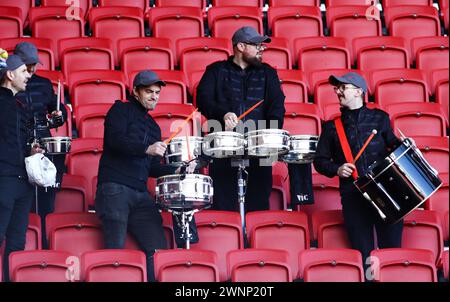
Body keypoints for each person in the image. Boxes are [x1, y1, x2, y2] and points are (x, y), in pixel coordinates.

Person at [95, 70, 196, 282]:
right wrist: (146, 148)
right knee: (115, 254)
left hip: (140, 194)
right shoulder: (120, 110)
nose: (154, 96)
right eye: (149, 91)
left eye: (157, 92)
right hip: (115, 188)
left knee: (158, 251)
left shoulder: (153, 126)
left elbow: (151, 168)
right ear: (135, 92)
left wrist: (176, 170)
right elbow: (114, 141)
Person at [313, 72, 404, 275]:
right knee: (363, 257)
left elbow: (394, 146)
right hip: (353, 195)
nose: (337, 91)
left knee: (391, 251)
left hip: (385, 192)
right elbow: (319, 161)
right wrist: (336, 169)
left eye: (342, 87)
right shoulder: (330, 127)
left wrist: (406, 146)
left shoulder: (380, 118)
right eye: (336, 88)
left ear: (358, 91)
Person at [196, 26, 286, 212]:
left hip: (260, 147)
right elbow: (202, 100)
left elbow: (277, 106)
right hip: (224, 145)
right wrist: (222, 114)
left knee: (259, 202)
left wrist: (269, 134)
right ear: (241, 46)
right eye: (257, 45)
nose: (262, 48)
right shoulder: (215, 70)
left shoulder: (269, 73)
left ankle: (257, 239)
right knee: (222, 202)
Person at [14, 42, 68, 248]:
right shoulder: (7, 84)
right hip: (18, 144)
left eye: (34, 64)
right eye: (28, 65)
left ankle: (44, 238)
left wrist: (58, 115)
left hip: (43, 144)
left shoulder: (44, 84)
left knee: (46, 195)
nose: (33, 69)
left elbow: (57, 112)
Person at [0, 54, 43, 281]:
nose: (29, 75)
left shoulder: (21, 104)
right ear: (10, 74)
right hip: (3, 179)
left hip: (22, 181)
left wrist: (32, 151)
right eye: (24, 71)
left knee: (16, 242)